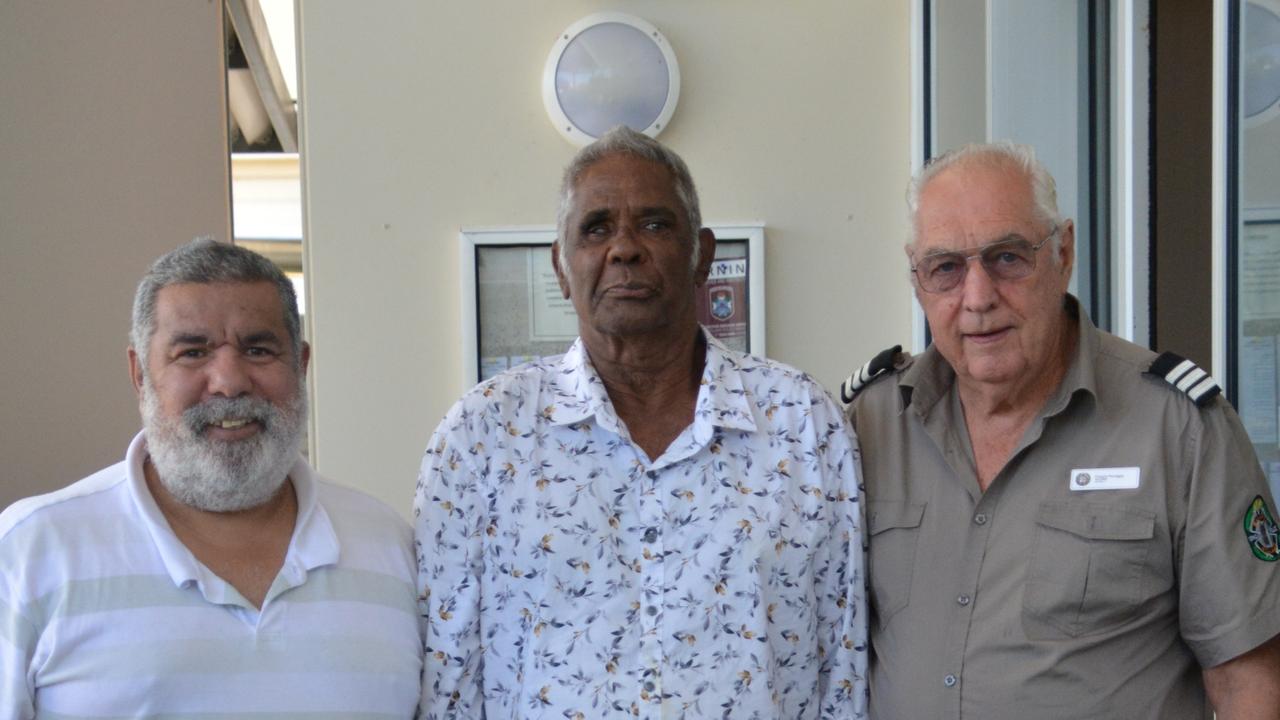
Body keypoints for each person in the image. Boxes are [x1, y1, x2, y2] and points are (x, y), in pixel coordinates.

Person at [415, 126, 867, 719]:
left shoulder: (801, 421)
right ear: (560, 265)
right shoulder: (479, 437)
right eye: (596, 228)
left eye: (654, 224)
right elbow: (449, 680)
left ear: (702, 254)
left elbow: (845, 663)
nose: (624, 248)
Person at [841, 142, 1280, 719]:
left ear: (1063, 252)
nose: (977, 298)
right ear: (918, 279)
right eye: (946, 268)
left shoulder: (1178, 427)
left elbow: (1249, 678)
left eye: (1007, 257)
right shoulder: (867, 425)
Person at [0, 239, 422, 717]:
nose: (228, 381)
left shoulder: (391, 548)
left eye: (258, 349)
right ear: (140, 374)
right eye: (192, 352)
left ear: (300, 366)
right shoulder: (30, 551)